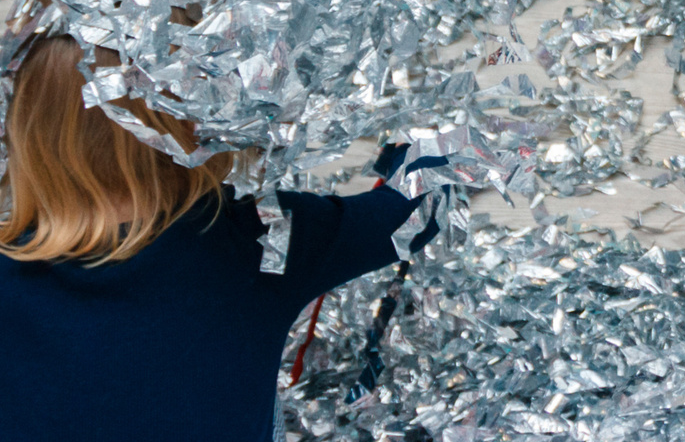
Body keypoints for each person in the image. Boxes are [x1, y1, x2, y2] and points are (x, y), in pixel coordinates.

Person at [0, 34, 442, 442]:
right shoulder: (253, 239)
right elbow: (413, 211)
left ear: (25, 137)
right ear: (190, 124)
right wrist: (428, 128)